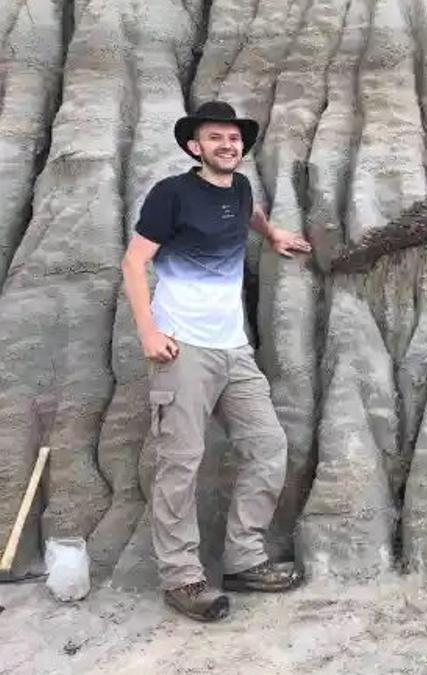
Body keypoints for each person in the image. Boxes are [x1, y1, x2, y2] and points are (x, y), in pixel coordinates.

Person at [120, 100, 312, 621]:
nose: (227, 145)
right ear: (194, 146)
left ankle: (243, 558)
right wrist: (149, 332)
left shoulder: (243, 187)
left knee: (268, 445)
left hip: (234, 348)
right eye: (215, 138)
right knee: (179, 462)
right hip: (182, 347)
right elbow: (134, 261)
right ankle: (181, 578)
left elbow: (248, 212)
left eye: (233, 138)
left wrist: (271, 235)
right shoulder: (172, 194)